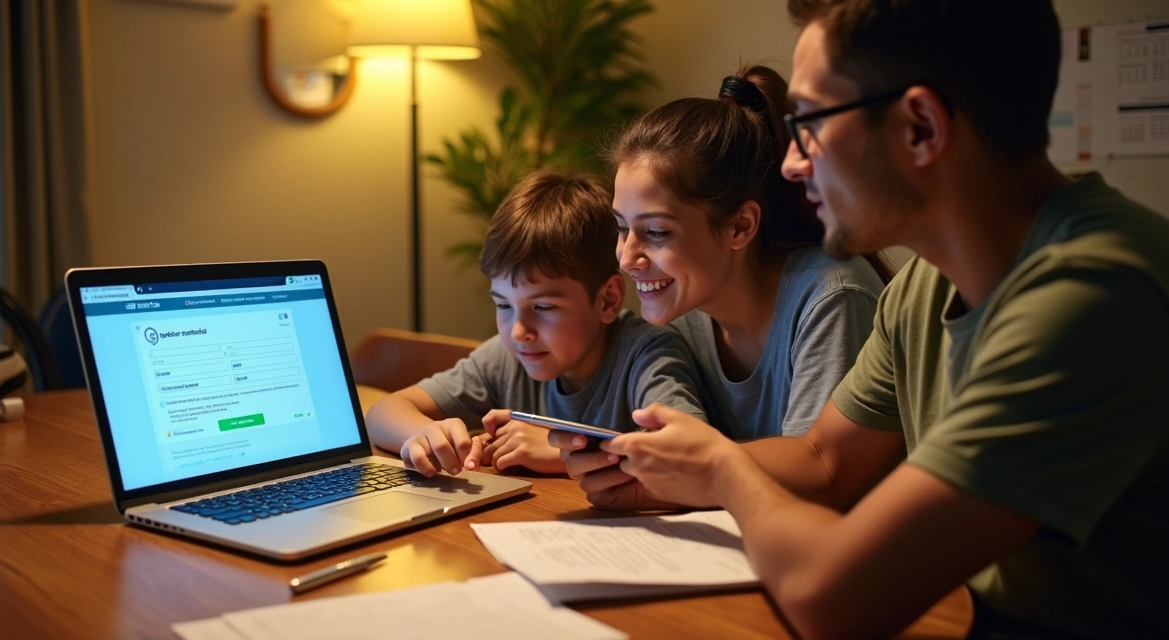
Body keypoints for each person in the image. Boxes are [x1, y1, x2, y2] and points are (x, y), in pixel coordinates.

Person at [553, 0, 1169, 637]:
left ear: (921, 128)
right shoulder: (924, 286)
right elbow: (824, 462)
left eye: (813, 122)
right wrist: (659, 479)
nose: (791, 164)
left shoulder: (1093, 292)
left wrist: (720, 468)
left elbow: (833, 600)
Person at [610, 63, 887, 442]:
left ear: (740, 226)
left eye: (656, 232)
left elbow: (818, 473)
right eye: (622, 228)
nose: (627, 258)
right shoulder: (680, 317)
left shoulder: (832, 295)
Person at [366, 170, 705, 477]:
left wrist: (563, 450)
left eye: (542, 306)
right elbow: (383, 411)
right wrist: (423, 433)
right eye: (503, 305)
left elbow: (690, 450)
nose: (518, 331)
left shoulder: (648, 354)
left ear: (608, 300)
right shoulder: (506, 357)